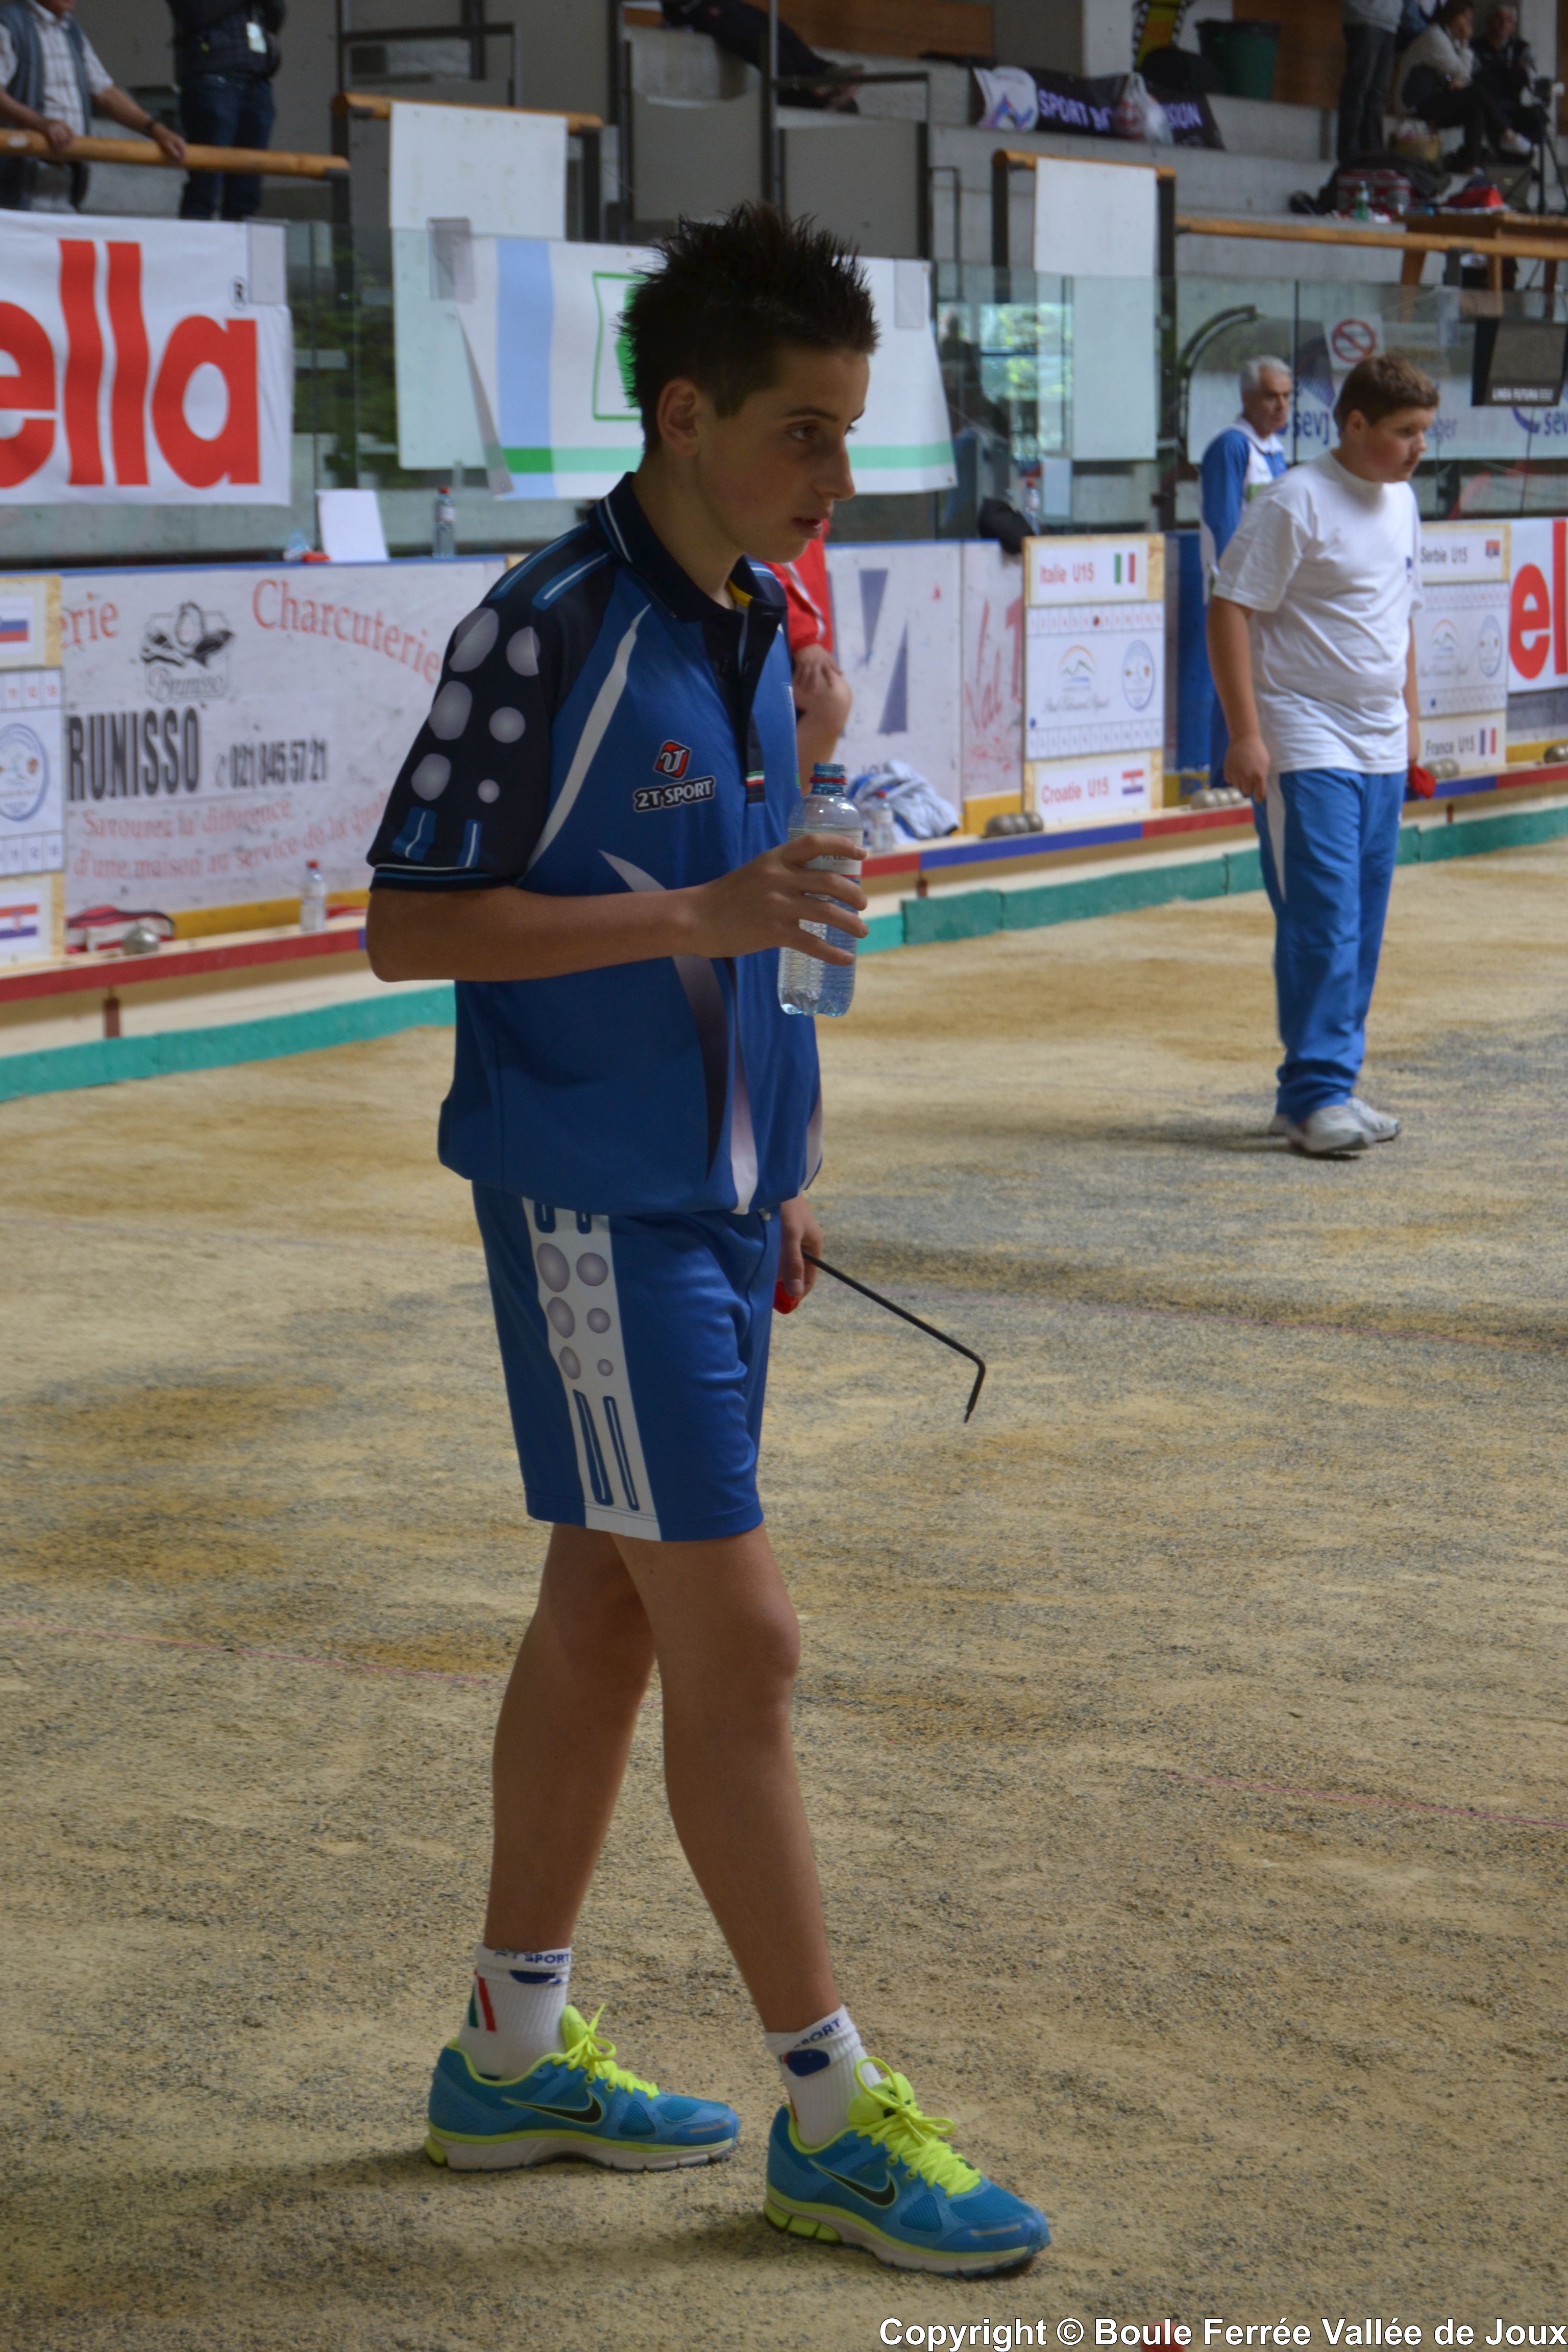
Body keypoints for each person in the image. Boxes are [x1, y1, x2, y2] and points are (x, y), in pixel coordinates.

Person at [363, 203, 1049, 2278]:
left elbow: (752, 912)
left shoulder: (759, 617)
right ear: (684, 412)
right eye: (802, 431)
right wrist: (707, 909)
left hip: (718, 1198)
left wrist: (782, 1162)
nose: (838, 474)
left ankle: (511, 2052)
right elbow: (408, 924)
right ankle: (832, 2112)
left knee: (604, 1611)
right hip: (595, 1202)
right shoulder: (546, 627)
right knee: (741, 1642)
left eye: (849, 430)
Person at [1207, 352, 1435, 1159]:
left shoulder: (1403, 501)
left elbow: (1401, 616)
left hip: (1382, 740)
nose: (1419, 448)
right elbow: (1229, 609)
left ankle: (1321, 1090)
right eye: (1405, 432)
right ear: (1356, 424)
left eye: (1425, 432)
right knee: (1324, 916)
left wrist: (1411, 720)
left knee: (1362, 921)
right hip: (1305, 736)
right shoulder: (1295, 500)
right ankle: (1316, 1096)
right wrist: (1245, 733)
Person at [1199, 356, 1292, 789]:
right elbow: (1222, 524)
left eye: (1287, 397)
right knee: (1232, 686)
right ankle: (1224, 783)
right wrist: (1234, 590)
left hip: (1266, 591)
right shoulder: (1231, 447)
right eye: (1272, 396)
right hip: (1237, 594)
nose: (1281, 406)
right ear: (1247, 398)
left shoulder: (1275, 452)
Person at [0, 0, 185, 211]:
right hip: (17, 180)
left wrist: (156, 129)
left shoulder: (72, 31)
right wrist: (41, 124)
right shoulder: (9, 24)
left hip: (67, 179)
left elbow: (105, 93)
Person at [167, 0, 284, 222]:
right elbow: (193, 12)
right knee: (205, 184)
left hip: (257, 81)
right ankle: (196, 240)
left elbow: (276, 15)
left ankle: (240, 239)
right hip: (211, 79)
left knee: (248, 188)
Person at [762, 530, 854, 781]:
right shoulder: (775, 518)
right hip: (777, 631)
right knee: (831, 700)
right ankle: (786, 803)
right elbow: (760, 560)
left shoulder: (812, 521)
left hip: (800, 636)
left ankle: (791, 802)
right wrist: (802, 637)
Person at [1395, 0, 1532, 165]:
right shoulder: (1435, 37)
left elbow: (1449, 74)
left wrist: (1452, 79)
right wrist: (1466, 43)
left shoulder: (1451, 41)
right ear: (1452, 17)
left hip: (1431, 99)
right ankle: (1506, 134)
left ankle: (1470, 165)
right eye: (1465, 18)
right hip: (1414, 104)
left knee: (1475, 109)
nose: (1469, 24)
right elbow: (1463, 73)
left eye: (1471, 19)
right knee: (1476, 91)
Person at [1472, 2, 1544, 147]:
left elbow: (1529, 77)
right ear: (1489, 22)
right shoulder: (1475, 47)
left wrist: (1495, 71)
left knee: (1538, 116)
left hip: (1513, 105)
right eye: (1499, 18)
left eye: (1509, 20)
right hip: (1485, 106)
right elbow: (1476, 78)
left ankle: (1525, 150)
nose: (1503, 24)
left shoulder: (1521, 48)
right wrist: (1511, 72)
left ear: (1514, 25)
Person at [1339, 0, 1401, 164]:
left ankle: (1373, 152)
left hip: (1390, 22)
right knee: (1359, 87)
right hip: (1365, 16)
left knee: (1379, 93)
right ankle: (1350, 152)